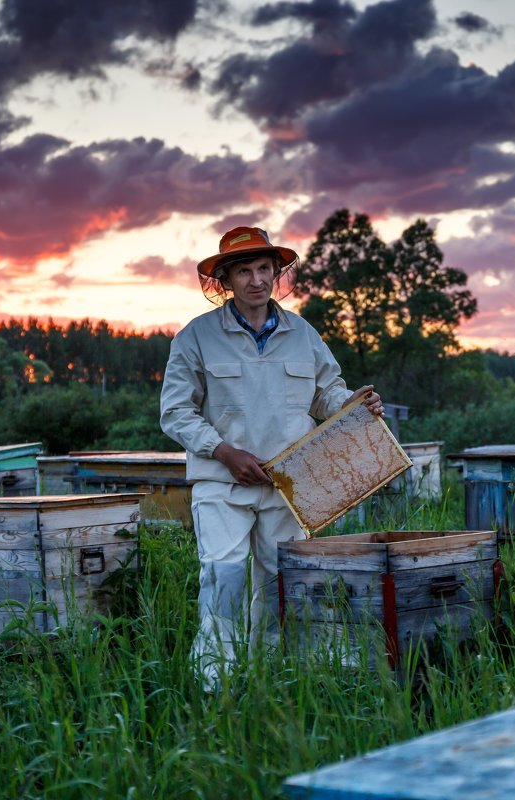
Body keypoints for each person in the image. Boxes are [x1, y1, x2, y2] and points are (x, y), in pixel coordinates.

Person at [160, 225, 384, 686]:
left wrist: (354, 406)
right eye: (244, 271)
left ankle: (271, 678)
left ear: (277, 273)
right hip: (223, 484)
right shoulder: (195, 338)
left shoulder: (302, 334)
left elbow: (326, 395)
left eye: (265, 269)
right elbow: (176, 413)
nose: (257, 280)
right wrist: (223, 452)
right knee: (224, 580)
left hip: (288, 483)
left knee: (280, 582)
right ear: (225, 280)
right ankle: (215, 685)